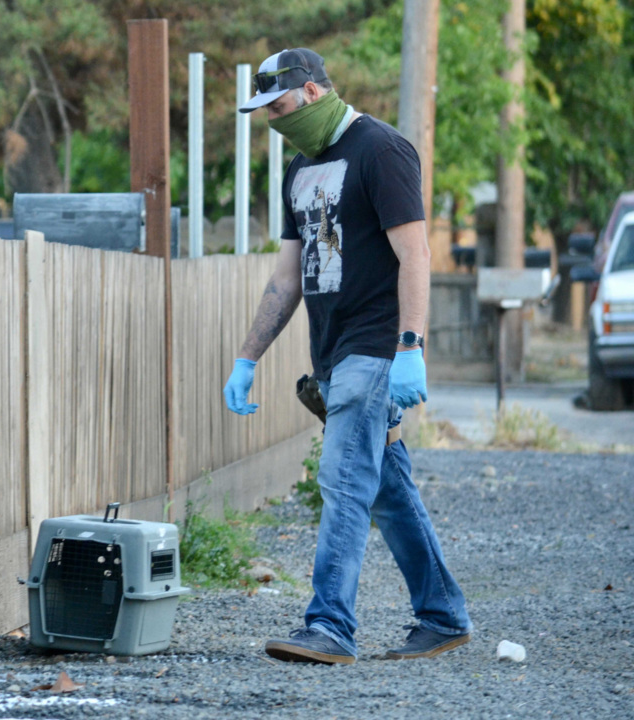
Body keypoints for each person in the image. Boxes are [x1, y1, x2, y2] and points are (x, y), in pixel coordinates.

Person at [224, 48, 471, 664]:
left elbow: (415, 255)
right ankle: (443, 615)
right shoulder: (298, 171)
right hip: (331, 353)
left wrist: (410, 347)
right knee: (385, 487)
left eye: (278, 106)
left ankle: (330, 625)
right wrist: (247, 357)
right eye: (263, 113)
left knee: (341, 479)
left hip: (376, 346)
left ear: (311, 92)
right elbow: (286, 279)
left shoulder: (380, 150)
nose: (273, 120)